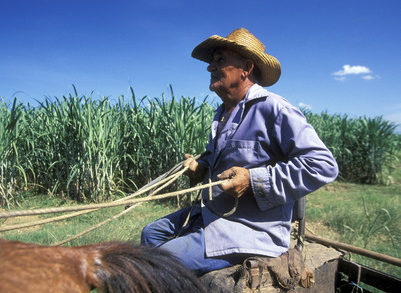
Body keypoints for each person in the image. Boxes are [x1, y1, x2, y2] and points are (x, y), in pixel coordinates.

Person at [141, 28, 339, 276]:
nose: (210, 68)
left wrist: (252, 180)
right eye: (212, 61)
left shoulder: (274, 109)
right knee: (151, 234)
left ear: (245, 67)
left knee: (157, 263)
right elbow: (224, 161)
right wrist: (201, 169)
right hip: (212, 213)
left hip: (248, 229)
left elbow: (322, 165)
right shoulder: (223, 113)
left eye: (220, 60)